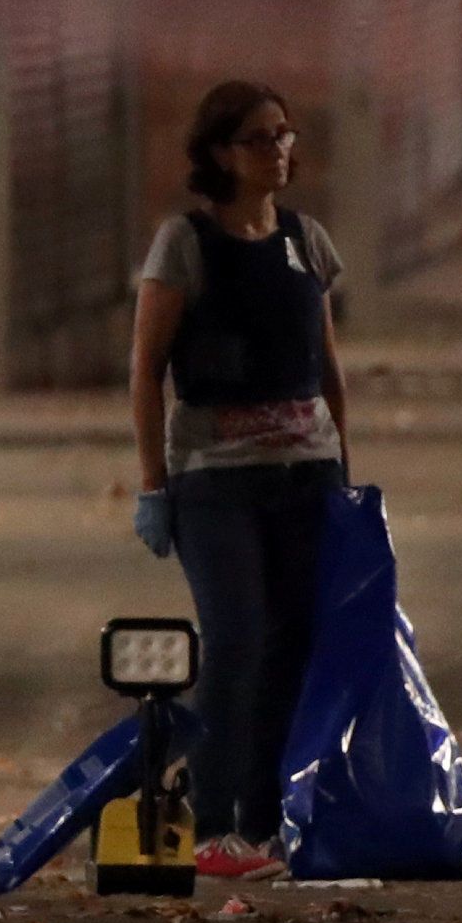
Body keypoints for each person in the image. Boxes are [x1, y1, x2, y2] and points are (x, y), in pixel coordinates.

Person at [126, 80, 351, 881]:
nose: (278, 149)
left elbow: (326, 364)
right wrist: (154, 483)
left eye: (285, 134)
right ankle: (212, 819)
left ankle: (264, 821)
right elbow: (148, 367)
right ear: (221, 152)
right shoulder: (184, 243)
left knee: (294, 644)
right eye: (260, 138)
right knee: (236, 639)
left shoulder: (305, 239)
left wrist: (343, 471)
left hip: (305, 472)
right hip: (215, 479)